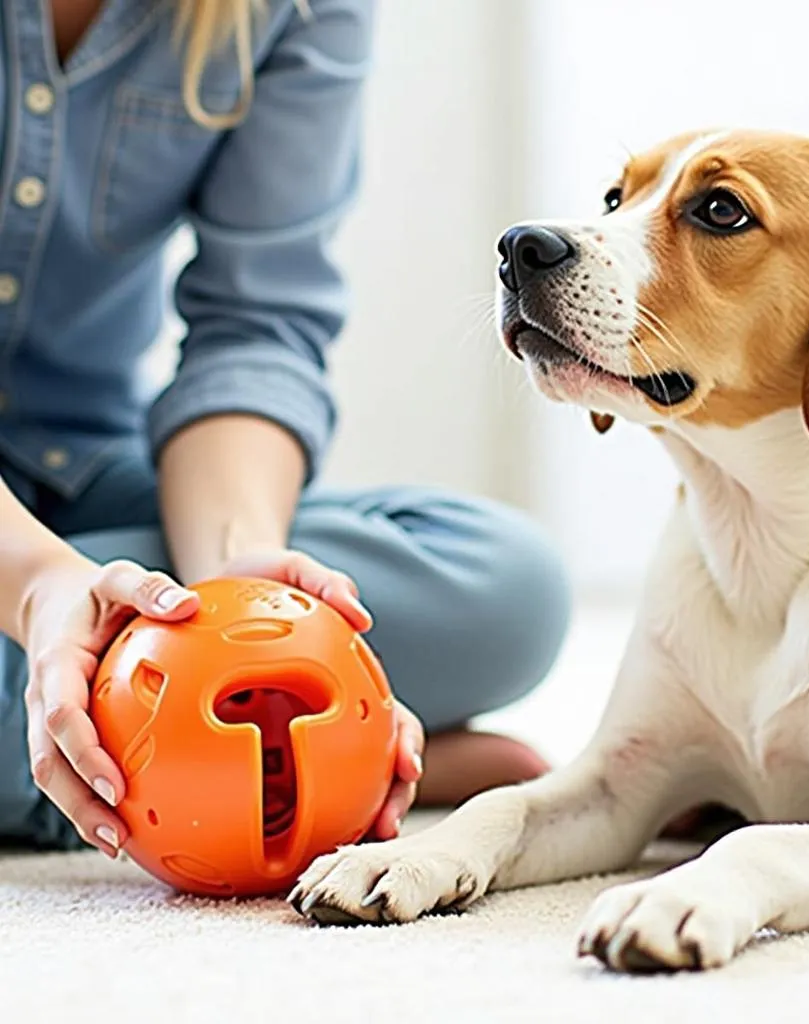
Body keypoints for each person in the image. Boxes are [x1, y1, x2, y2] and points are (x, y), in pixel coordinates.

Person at [0, 0, 570, 859]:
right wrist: (39, 585)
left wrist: (234, 594)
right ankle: (281, 760)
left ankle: (159, 733)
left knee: (509, 584)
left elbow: (254, 326)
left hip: (82, 469)